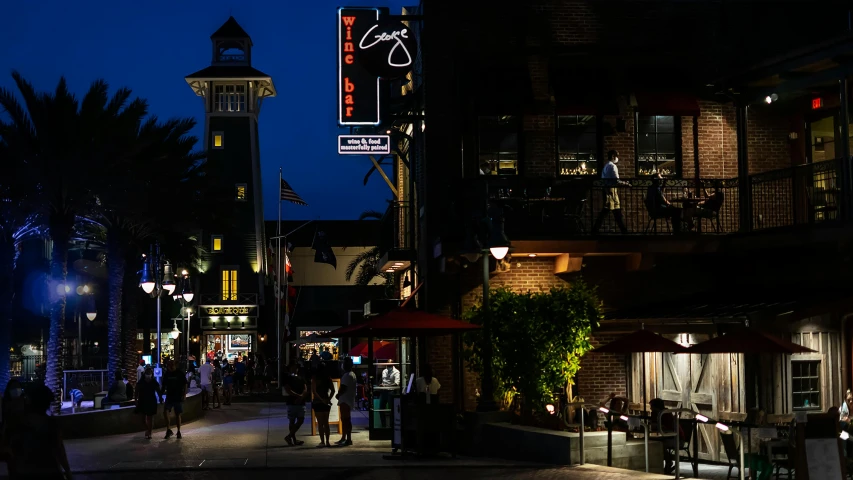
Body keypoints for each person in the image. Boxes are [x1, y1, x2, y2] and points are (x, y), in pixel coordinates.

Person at [8, 385, 71, 479]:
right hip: (50, 472)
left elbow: (11, 452)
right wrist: (67, 471)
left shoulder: (18, 423)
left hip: (25, 473)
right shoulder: (51, 424)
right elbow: (59, 449)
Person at [592, 150, 629, 234]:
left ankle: (624, 231)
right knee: (610, 211)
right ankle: (595, 230)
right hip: (611, 191)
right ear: (613, 156)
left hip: (607, 190)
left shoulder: (606, 166)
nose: (617, 158)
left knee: (615, 212)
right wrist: (626, 184)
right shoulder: (612, 166)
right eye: (617, 156)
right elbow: (616, 180)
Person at [650, 398, 682, 475]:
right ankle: (667, 460)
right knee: (651, 441)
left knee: (658, 444)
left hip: (677, 439)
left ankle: (668, 461)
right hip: (669, 437)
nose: (651, 408)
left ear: (656, 407)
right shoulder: (659, 414)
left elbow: (666, 428)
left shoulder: (665, 414)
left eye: (652, 406)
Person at [312, 363, 336, 447]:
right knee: (326, 423)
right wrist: (328, 399)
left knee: (320, 423)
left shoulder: (315, 378)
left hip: (318, 402)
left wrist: (321, 399)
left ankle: (322, 441)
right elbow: (333, 390)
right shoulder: (328, 378)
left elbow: (314, 391)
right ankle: (328, 442)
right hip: (326, 401)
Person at [135, 366, 163, 439]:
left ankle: (149, 432)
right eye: (147, 373)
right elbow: (136, 391)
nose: (148, 374)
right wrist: (136, 400)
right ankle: (147, 429)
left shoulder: (154, 382)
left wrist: (160, 398)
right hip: (142, 401)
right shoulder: (141, 382)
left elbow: (158, 391)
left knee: (150, 418)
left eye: (149, 373)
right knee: (142, 419)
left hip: (151, 401)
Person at [163, 360, 188, 439]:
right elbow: (164, 385)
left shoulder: (179, 373)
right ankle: (168, 429)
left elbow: (185, 384)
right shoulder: (167, 373)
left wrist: (184, 395)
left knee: (178, 414)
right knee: (165, 411)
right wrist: (161, 394)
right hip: (169, 396)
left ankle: (178, 431)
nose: (170, 367)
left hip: (178, 396)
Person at [284, 363, 307, 446]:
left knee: (300, 420)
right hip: (291, 402)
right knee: (292, 421)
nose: (295, 369)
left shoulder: (301, 378)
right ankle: (293, 439)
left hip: (300, 402)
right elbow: (288, 390)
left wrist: (301, 397)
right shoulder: (288, 378)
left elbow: (305, 389)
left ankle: (289, 437)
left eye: (296, 368)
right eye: (293, 367)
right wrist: (298, 396)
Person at [336, 357, 357, 446]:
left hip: (345, 400)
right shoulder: (353, 374)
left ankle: (347, 439)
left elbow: (343, 387)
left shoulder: (346, 375)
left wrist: (338, 395)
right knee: (346, 419)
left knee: (345, 420)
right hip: (349, 399)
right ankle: (345, 437)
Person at [380, 361, 400, 427]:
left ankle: (392, 426)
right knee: (381, 409)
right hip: (383, 391)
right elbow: (383, 380)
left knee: (391, 409)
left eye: (389, 366)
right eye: (387, 365)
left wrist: (387, 385)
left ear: (392, 365)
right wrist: (382, 385)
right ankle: (383, 425)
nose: (388, 367)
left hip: (391, 392)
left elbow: (396, 383)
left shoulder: (396, 372)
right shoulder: (384, 371)